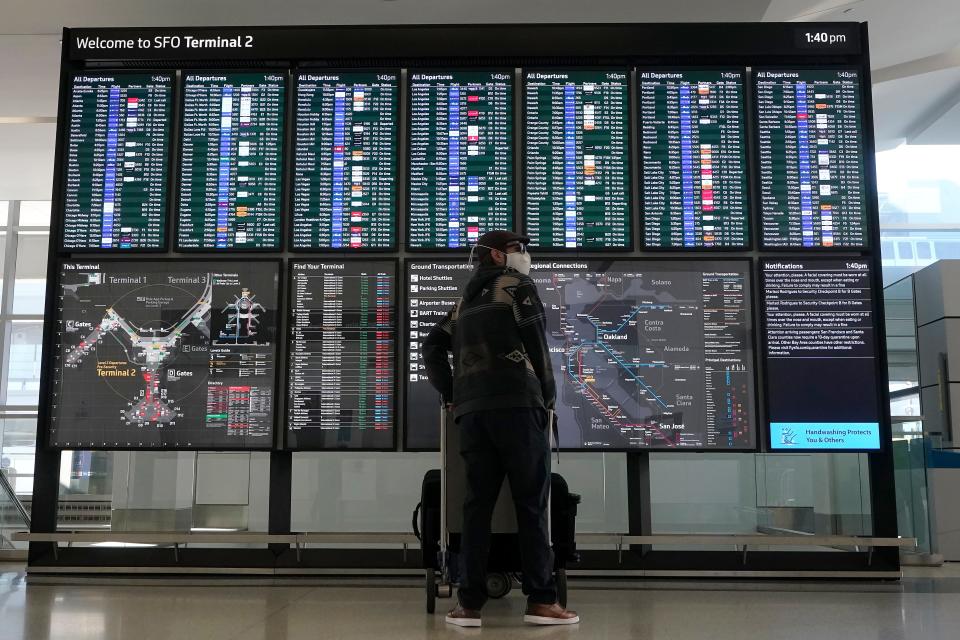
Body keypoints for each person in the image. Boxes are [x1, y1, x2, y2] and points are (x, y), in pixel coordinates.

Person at [422, 230, 580, 628]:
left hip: (473, 415)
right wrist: (547, 398)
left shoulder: (465, 300)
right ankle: (542, 601)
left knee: (476, 508)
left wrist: (451, 391)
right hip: (517, 407)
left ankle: (469, 605)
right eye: (517, 249)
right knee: (531, 504)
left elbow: (431, 344)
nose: (524, 255)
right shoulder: (517, 285)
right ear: (496, 255)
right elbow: (537, 345)